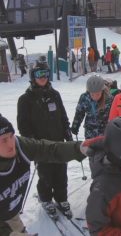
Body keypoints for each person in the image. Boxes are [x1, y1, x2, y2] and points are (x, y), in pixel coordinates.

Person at [0, 114, 86, 236]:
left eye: (11, 136)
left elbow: (48, 149)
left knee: (15, 223)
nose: (10, 144)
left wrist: (79, 148)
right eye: (3, 140)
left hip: (11, 212)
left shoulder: (20, 145)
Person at [17, 61, 75, 218]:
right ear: (33, 76)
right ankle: (46, 198)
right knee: (45, 173)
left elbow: (63, 116)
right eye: (39, 74)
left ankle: (61, 198)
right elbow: (23, 125)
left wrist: (67, 132)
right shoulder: (25, 99)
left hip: (58, 142)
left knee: (61, 172)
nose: (42, 78)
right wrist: (32, 142)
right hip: (40, 145)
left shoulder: (55, 95)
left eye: (45, 74)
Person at [71, 75, 113, 140]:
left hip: (105, 133)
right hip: (90, 133)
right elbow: (79, 113)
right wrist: (75, 126)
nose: (95, 97)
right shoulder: (84, 97)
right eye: (92, 94)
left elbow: (113, 116)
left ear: (102, 91)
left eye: (98, 94)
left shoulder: (109, 99)